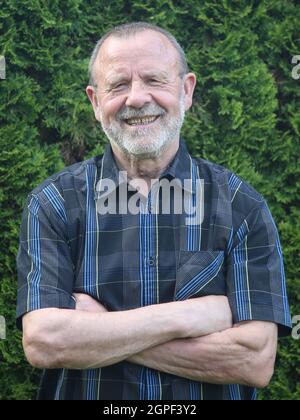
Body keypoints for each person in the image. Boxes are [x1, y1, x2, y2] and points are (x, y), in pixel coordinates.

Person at [17, 22, 291, 400]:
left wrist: (98, 331)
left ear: (186, 90)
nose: (135, 98)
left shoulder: (242, 207)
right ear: (95, 102)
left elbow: (255, 361)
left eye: (154, 80)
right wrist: (191, 317)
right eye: (117, 86)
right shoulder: (53, 204)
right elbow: (45, 343)